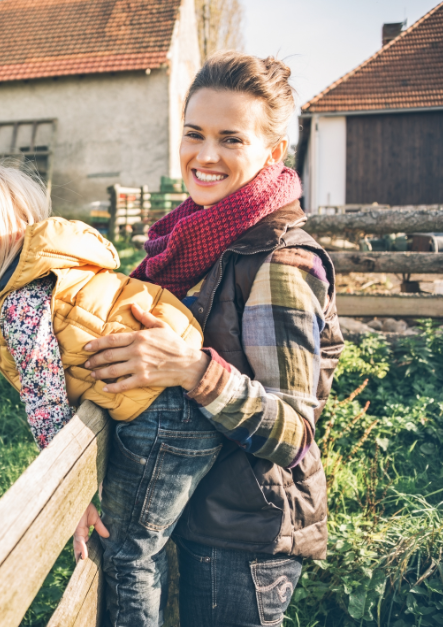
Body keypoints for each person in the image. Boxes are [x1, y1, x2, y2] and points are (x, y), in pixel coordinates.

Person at [82, 51, 344, 626]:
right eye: (194, 134)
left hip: (245, 537)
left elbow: (294, 434)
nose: (205, 156)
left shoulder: (280, 263)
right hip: (195, 510)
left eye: (231, 139)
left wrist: (191, 369)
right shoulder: (194, 243)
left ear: (273, 152)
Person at [0, 164, 224, 625]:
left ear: (10, 230)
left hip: (162, 416)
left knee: (128, 553)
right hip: (181, 407)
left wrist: (70, 491)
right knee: (145, 544)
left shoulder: (20, 302)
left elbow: (45, 398)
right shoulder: (64, 268)